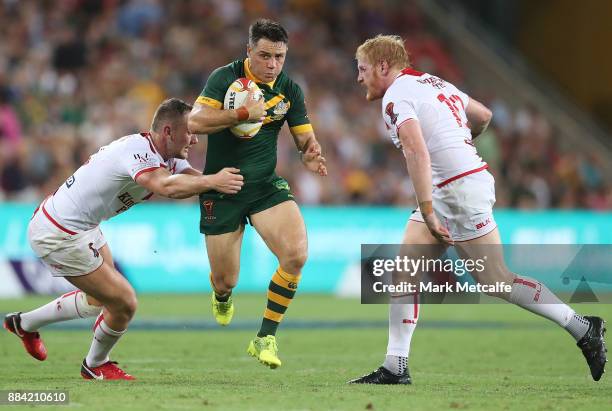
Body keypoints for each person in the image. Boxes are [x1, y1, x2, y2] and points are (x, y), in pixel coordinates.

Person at [349, 35, 607, 384]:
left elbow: (416, 152)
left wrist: (427, 209)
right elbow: (483, 115)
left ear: (383, 66)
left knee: (496, 281)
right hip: (453, 185)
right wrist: (462, 142)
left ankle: (582, 327)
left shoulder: (396, 95)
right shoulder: (433, 82)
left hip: (458, 191)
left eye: (362, 69)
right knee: (406, 269)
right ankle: (396, 366)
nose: (359, 77)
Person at [3, 98, 244, 380]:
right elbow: (165, 186)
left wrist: (224, 185)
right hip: (60, 231)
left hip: (81, 225)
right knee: (124, 302)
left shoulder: (168, 157)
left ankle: (24, 323)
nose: (194, 138)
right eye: (190, 132)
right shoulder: (137, 151)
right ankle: (95, 365)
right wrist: (214, 182)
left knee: (98, 300)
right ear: (168, 131)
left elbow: (192, 179)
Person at [188, 19, 327, 369]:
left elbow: (304, 139)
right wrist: (240, 113)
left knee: (295, 255)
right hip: (222, 186)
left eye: (279, 57)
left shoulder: (289, 90)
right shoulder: (225, 78)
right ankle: (221, 295)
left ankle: (265, 337)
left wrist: (311, 153)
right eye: (264, 55)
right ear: (249, 51)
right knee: (226, 279)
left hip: (265, 187)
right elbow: (195, 122)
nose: (272, 64)